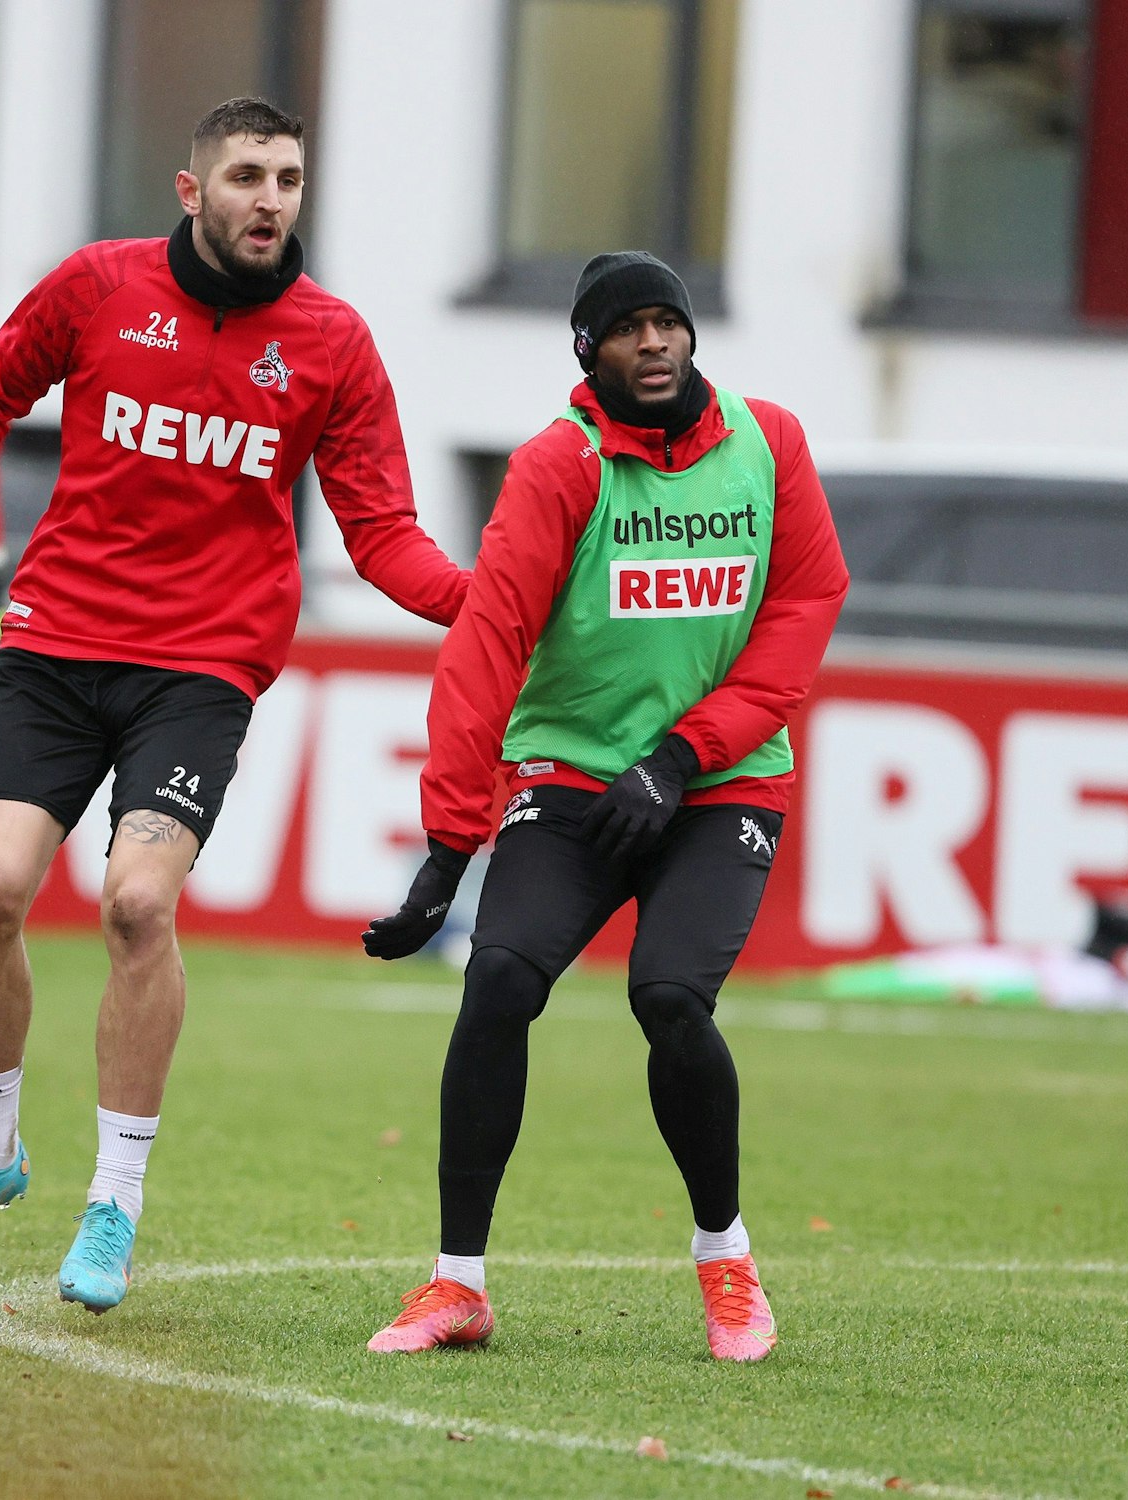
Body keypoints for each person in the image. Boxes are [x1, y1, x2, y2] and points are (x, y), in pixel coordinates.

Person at [0, 97, 469, 1310]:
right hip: (53, 642)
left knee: (135, 905)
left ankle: (113, 1201)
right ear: (189, 187)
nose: (271, 198)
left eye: (291, 178)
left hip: (201, 667)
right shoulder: (97, 288)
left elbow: (381, 537)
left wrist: (489, 605)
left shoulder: (332, 343)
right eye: (249, 175)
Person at [361, 252, 849, 1362]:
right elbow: (486, 648)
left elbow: (805, 607)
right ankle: (456, 1286)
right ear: (588, 352)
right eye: (626, 327)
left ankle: (725, 1264)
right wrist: (446, 850)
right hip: (573, 777)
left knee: (671, 997)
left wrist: (680, 757)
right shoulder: (555, 465)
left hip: (717, 781)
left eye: (666, 321)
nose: (654, 342)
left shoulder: (767, 442)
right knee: (495, 979)